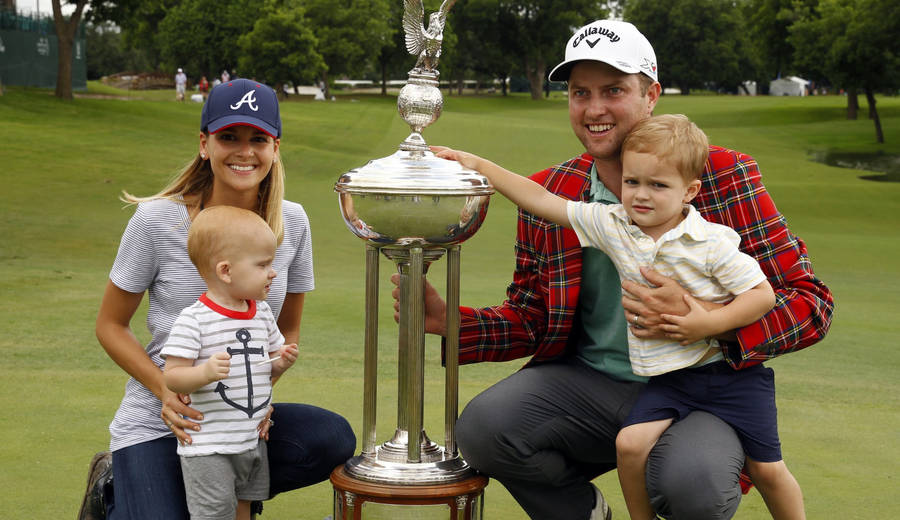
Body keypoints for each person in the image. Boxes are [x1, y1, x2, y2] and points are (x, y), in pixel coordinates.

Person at [393, 20, 832, 519]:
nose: (594, 108)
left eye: (614, 90)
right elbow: (532, 320)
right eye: (580, 92)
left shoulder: (724, 175)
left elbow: (810, 303)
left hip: (699, 386)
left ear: (651, 96)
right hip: (591, 385)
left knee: (696, 484)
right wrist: (448, 320)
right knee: (486, 427)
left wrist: (704, 318)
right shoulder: (554, 189)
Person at [434, 113, 805, 519]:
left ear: (690, 191)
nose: (642, 195)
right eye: (633, 182)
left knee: (761, 471)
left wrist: (707, 323)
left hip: (719, 379)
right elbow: (541, 201)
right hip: (653, 384)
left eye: (658, 185)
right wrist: (478, 165)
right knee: (627, 445)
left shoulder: (711, 239)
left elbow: (767, 295)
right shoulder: (613, 224)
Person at [92, 78, 355, 520]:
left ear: (275, 148)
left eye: (258, 139)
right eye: (228, 136)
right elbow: (110, 326)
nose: (244, 151)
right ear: (204, 143)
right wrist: (165, 393)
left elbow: (287, 328)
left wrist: (261, 392)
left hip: (236, 420)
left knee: (331, 436)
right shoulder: (156, 219)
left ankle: (228, 489)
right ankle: (117, 488)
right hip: (161, 417)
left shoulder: (292, 222)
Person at [162, 205, 301, 520]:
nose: (273, 272)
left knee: (244, 508)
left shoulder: (261, 312)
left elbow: (265, 368)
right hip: (210, 446)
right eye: (263, 264)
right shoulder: (194, 320)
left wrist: (281, 363)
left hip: (250, 439)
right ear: (226, 271)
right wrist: (205, 373)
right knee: (214, 514)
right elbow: (173, 377)